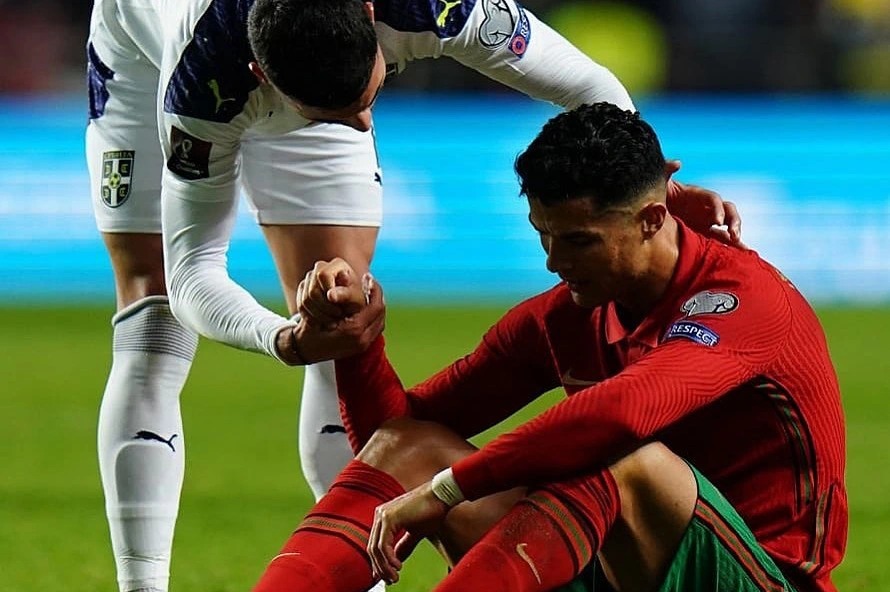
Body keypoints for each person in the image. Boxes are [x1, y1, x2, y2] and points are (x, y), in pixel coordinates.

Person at [85, 0, 741, 589]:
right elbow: (192, 270)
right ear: (264, 76)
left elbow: (591, 89)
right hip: (142, 48)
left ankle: (357, 579)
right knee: (151, 318)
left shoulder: (436, 7)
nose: (365, 118)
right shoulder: (204, 86)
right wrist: (281, 338)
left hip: (294, 68)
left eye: (368, 94)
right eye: (340, 117)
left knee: (342, 311)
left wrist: (646, 190)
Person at [254, 103, 847, 592]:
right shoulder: (568, 314)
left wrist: (449, 490)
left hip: (761, 580)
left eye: (578, 241)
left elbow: (619, 415)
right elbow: (391, 440)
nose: (554, 262)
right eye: (543, 236)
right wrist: (358, 339)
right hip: (611, 568)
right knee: (414, 443)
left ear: (651, 219)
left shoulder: (742, 299)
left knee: (633, 462)